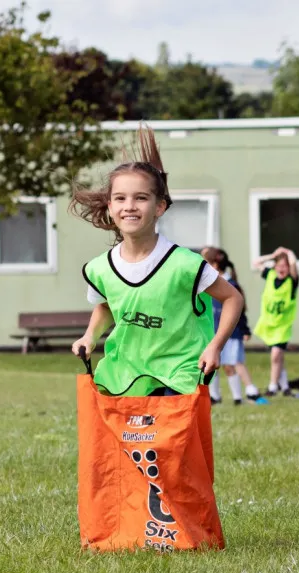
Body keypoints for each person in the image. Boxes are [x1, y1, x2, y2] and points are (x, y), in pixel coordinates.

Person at [69, 126, 244, 397]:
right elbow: (107, 305)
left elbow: (233, 298)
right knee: (134, 442)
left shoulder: (185, 264)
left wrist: (215, 346)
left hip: (180, 373)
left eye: (141, 198)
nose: (129, 206)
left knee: (168, 442)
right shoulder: (100, 269)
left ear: (159, 207)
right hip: (128, 375)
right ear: (110, 207)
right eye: (120, 198)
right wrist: (90, 336)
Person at [202, 247, 261, 404]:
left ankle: (239, 396)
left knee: (231, 364)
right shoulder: (206, 284)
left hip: (232, 334)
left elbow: (239, 310)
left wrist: (245, 329)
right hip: (212, 333)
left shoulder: (230, 284)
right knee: (210, 365)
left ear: (214, 265)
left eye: (204, 261)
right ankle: (214, 396)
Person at [252, 246, 299, 397]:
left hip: (282, 325)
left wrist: (288, 252)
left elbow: (293, 265)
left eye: (285, 266)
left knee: (275, 354)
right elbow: (256, 262)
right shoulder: (270, 275)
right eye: (279, 265)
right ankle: (285, 387)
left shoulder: (292, 281)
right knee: (278, 357)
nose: (281, 269)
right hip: (269, 324)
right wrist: (272, 255)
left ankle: (273, 386)